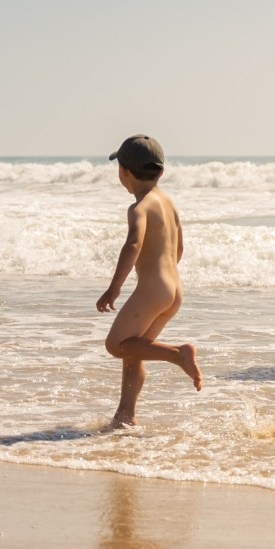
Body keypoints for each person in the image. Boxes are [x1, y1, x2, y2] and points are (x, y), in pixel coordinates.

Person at [95, 134, 202, 427]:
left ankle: (179, 354)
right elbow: (179, 247)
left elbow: (133, 244)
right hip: (174, 290)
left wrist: (115, 286)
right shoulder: (168, 203)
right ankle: (125, 417)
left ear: (123, 172)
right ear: (161, 172)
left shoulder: (139, 208)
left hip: (154, 290)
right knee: (134, 350)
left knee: (116, 345)